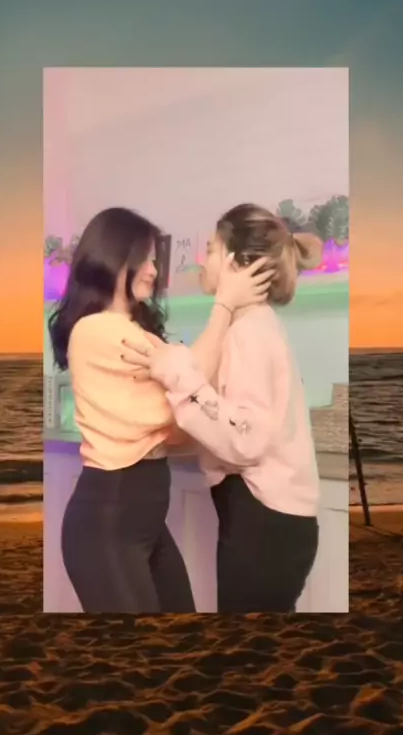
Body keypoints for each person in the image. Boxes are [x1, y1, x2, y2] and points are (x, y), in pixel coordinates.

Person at [48, 206, 272, 613]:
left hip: (143, 522)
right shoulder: (96, 330)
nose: (154, 271)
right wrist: (224, 304)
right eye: (146, 259)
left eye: (155, 260)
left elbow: (184, 408)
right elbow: (188, 391)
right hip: (108, 522)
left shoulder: (139, 334)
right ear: (115, 258)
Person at [122, 203, 323, 612]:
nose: (202, 258)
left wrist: (178, 375)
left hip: (265, 526)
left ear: (237, 264)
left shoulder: (249, 333)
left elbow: (244, 438)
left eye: (211, 249)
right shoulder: (253, 328)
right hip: (272, 523)